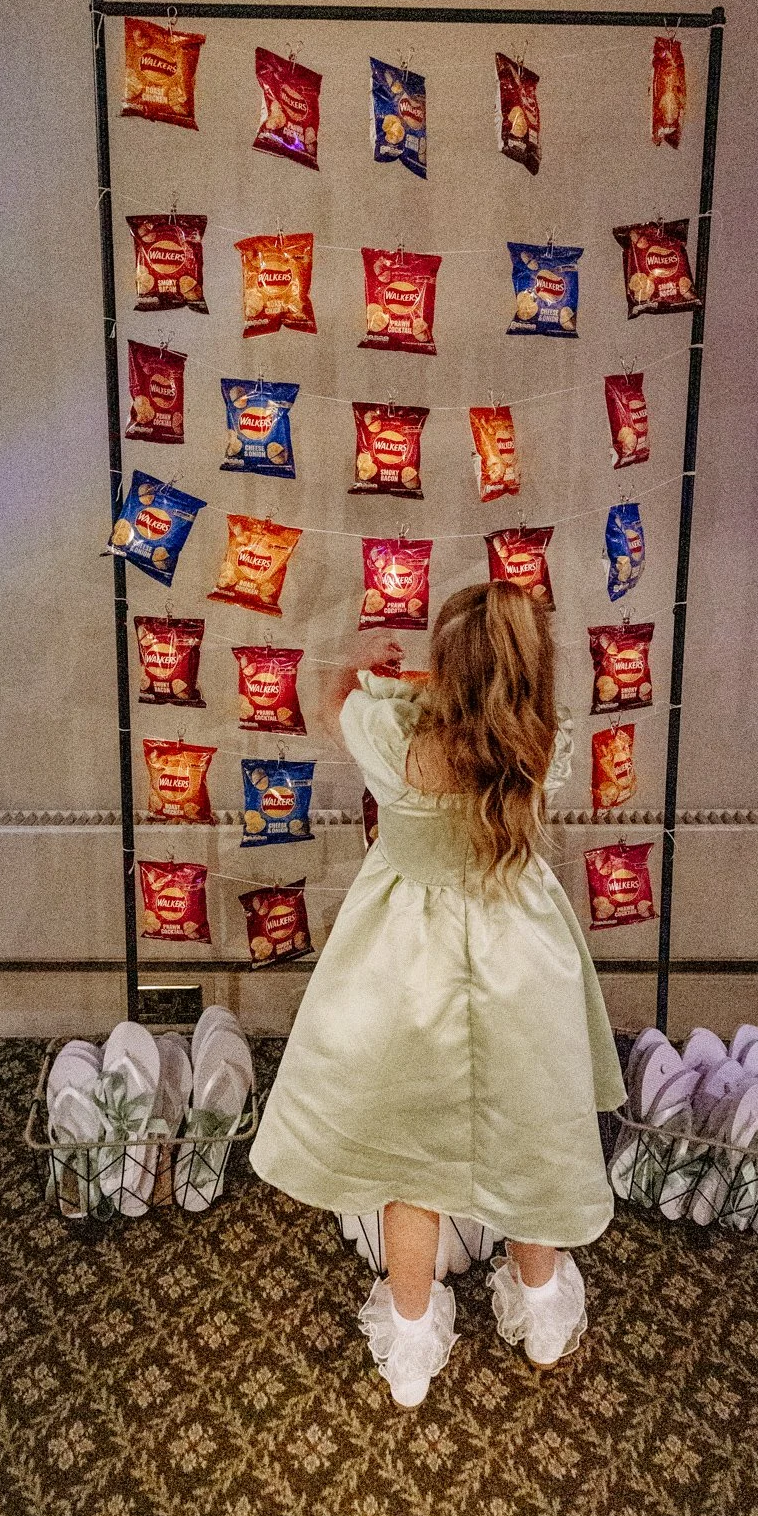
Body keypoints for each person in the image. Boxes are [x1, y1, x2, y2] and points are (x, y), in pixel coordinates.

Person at [249, 581, 626, 1407]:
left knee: (406, 1162)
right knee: (530, 1145)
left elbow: (331, 706)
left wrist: (360, 666)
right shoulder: (544, 744)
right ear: (534, 673)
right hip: (522, 966)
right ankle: (543, 1319)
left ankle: (411, 1350)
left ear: (442, 671)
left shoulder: (395, 739)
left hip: (404, 968)